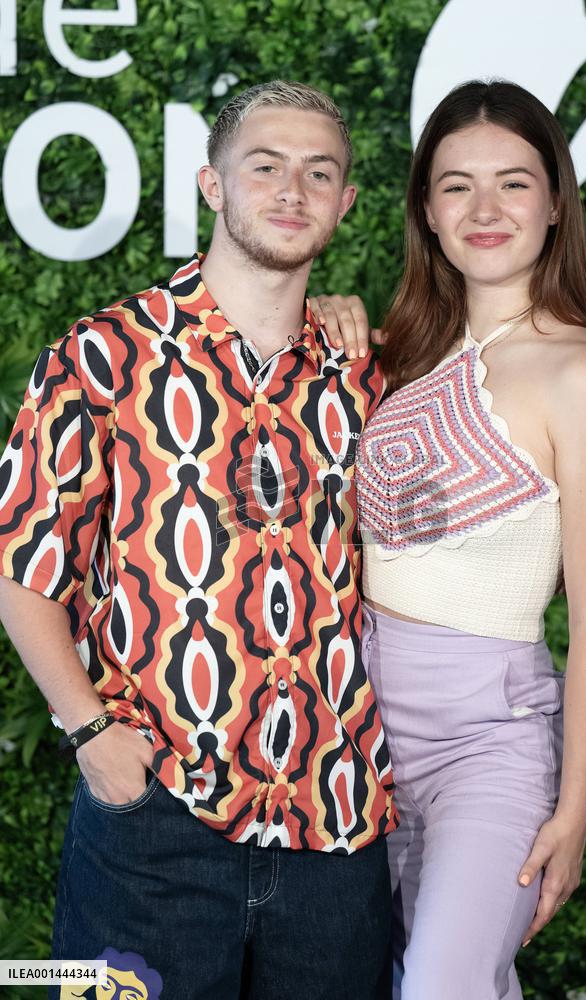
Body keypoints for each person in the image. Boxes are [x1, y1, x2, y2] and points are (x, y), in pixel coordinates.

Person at [0, 80, 397, 1000]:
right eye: (265, 166)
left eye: (318, 171)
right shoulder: (100, 357)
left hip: (335, 827)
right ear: (213, 185)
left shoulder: (365, 376)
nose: (291, 189)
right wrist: (92, 734)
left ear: (344, 204)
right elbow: (23, 572)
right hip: (154, 827)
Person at [310, 80, 586, 999]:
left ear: (554, 204)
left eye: (514, 183)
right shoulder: (406, 350)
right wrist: (338, 329)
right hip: (349, 731)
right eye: (457, 185)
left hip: (485, 743)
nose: (485, 210)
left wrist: (573, 810)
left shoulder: (583, 376)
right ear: (426, 207)